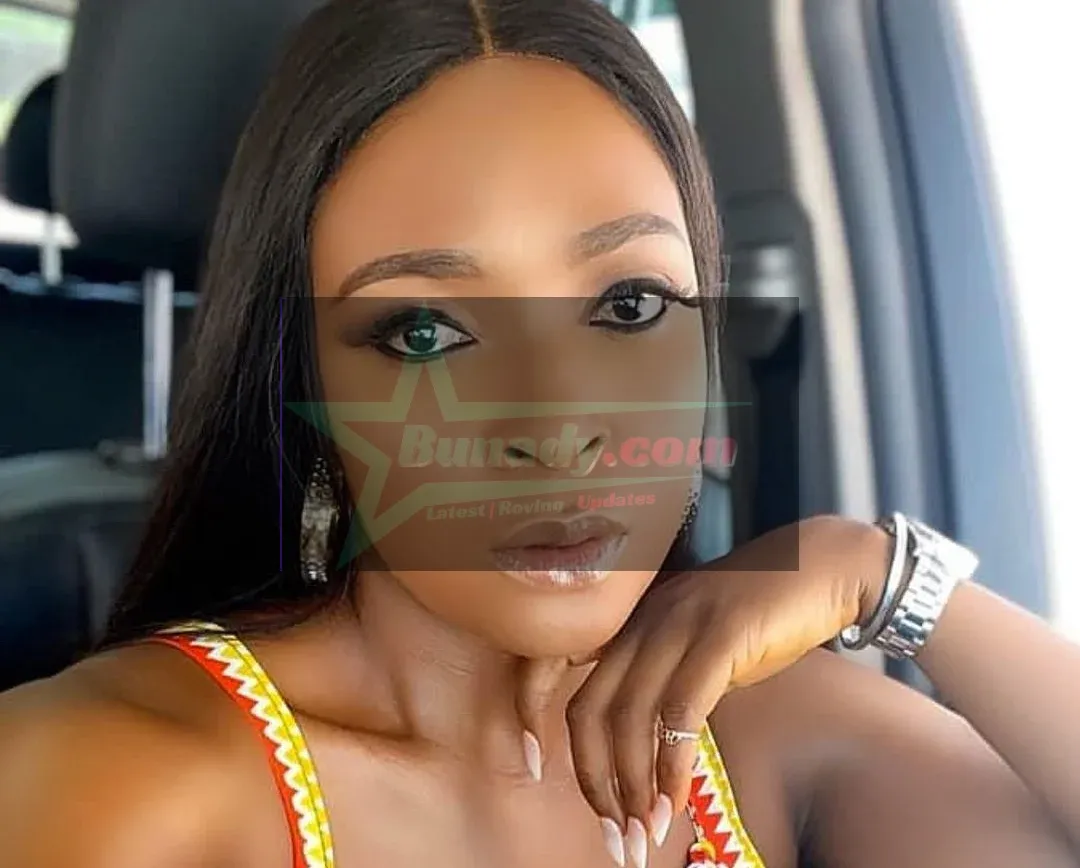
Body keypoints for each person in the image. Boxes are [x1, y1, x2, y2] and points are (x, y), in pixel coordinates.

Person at [2, 1, 1079, 866]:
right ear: (307, 381)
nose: (559, 429)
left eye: (629, 306)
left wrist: (885, 574)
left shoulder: (772, 735)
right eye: (425, 331)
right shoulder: (118, 779)